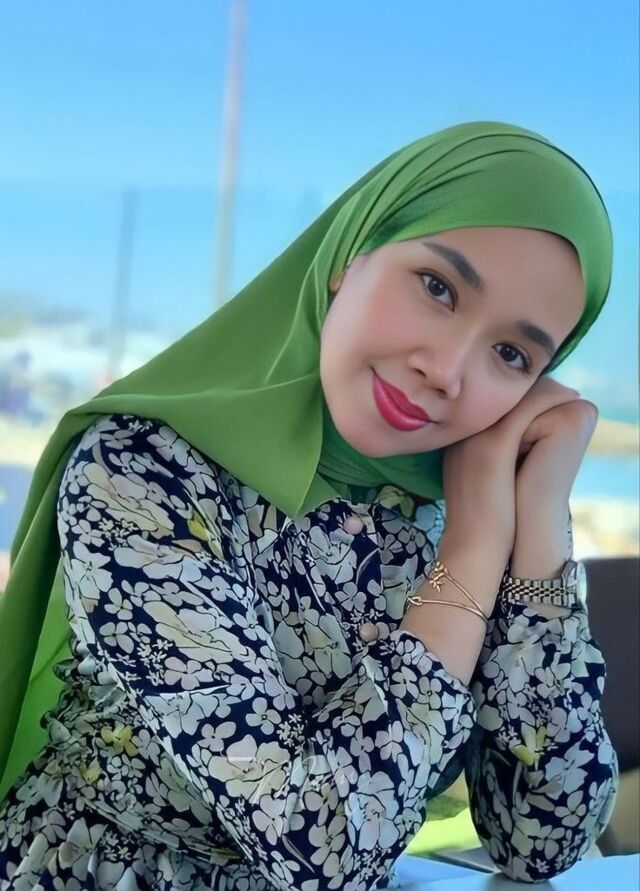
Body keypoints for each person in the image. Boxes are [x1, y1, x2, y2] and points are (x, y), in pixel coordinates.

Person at [0, 121, 619, 890]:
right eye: (437, 287)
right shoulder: (142, 471)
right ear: (350, 257)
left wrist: (540, 516)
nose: (446, 370)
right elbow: (314, 846)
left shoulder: (467, 497)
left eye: (511, 354)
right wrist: (471, 551)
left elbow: (544, 837)